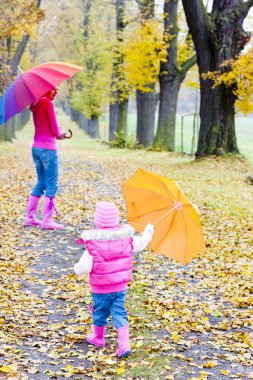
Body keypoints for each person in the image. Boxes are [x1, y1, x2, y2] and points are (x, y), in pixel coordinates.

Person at [74, 201, 155, 358]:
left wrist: (77, 269)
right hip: (120, 287)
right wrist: (149, 231)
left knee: (100, 312)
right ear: (116, 220)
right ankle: (124, 344)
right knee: (119, 312)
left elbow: (84, 267)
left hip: (101, 289)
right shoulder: (126, 239)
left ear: (97, 221)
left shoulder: (94, 243)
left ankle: (98, 337)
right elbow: (141, 243)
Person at [24, 87, 69, 230]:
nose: (55, 92)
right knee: (52, 183)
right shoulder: (47, 104)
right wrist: (60, 132)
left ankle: (30, 218)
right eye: (53, 90)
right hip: (48, 149)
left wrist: (57, 132)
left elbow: (45, 127)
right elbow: (55, 130)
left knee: (41, 182)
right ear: (44, 90)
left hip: (36, 148)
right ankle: (47, 220)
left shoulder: (35, 104)